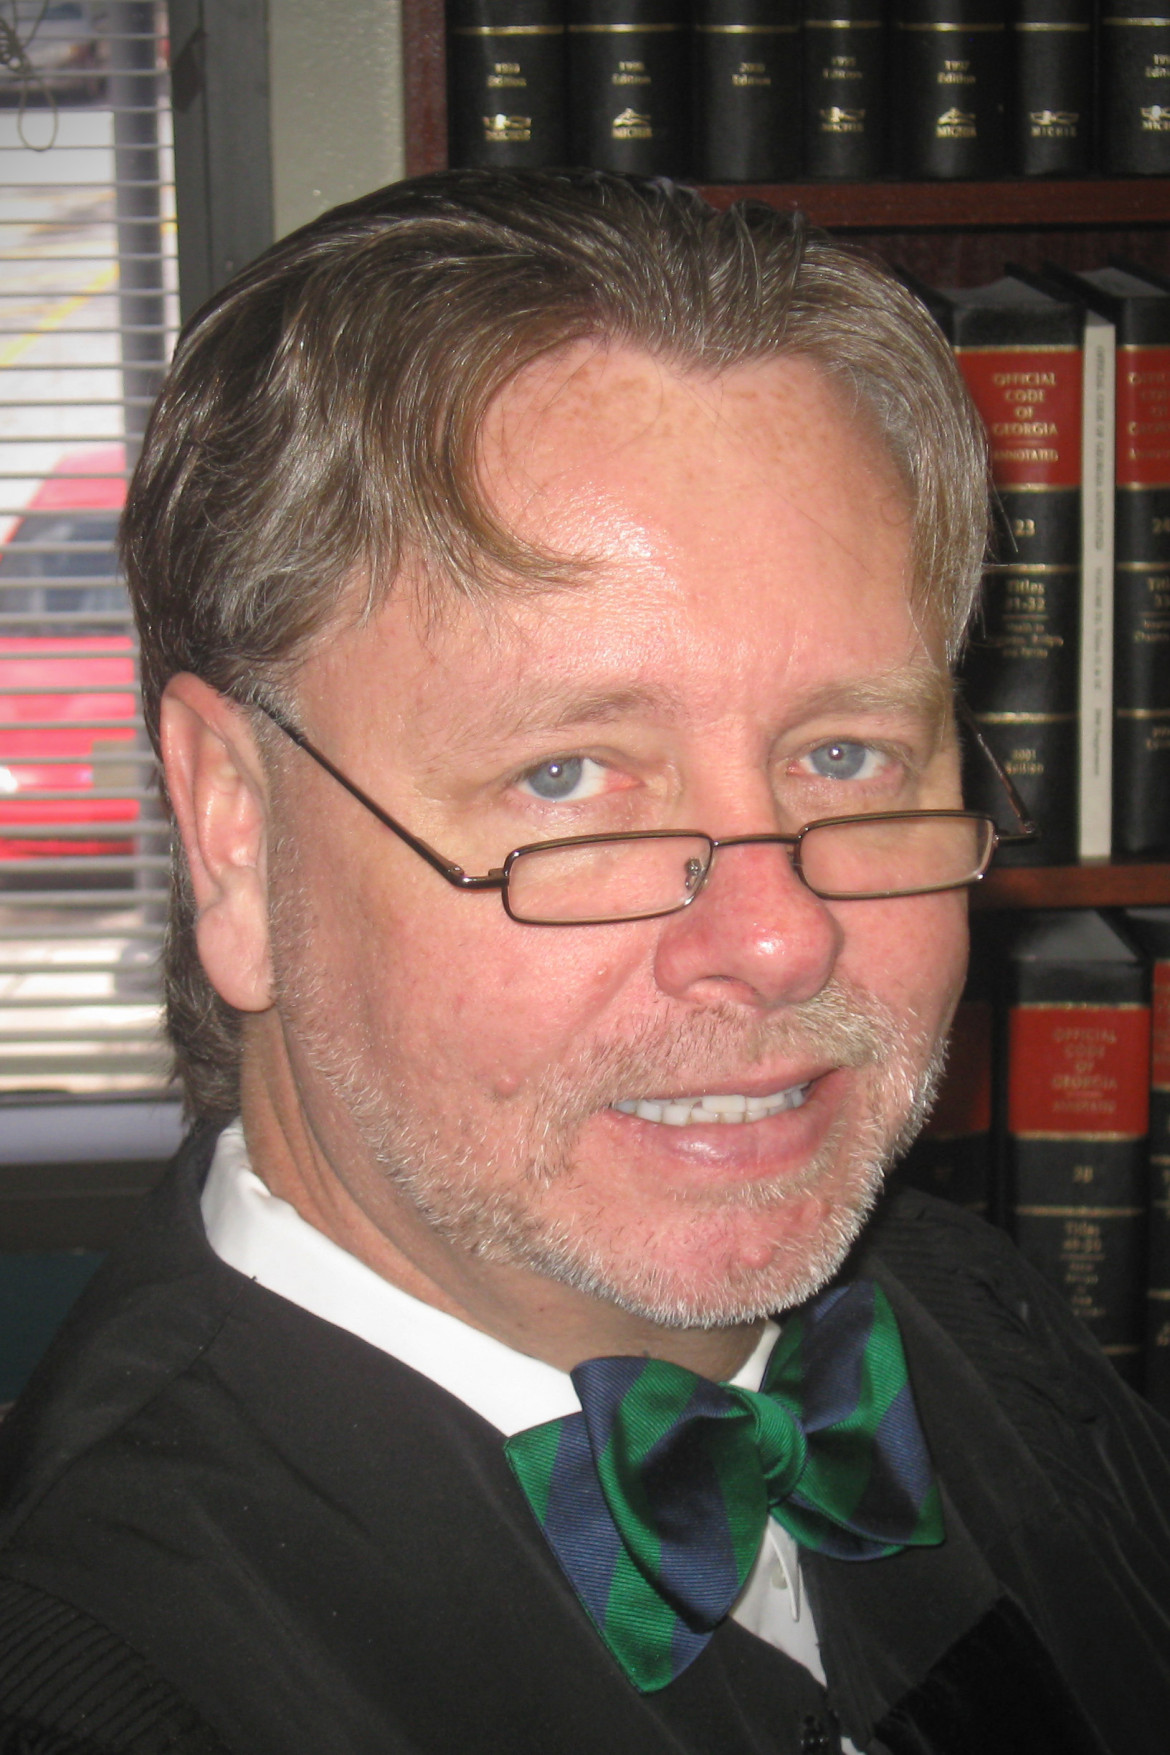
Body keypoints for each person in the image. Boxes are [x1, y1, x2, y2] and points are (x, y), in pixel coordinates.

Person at [0, 170, 1167, 1755]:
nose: (771, 939)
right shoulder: (90, 1675)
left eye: (843, 752)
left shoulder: (975, 1326)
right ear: (235, 834)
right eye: (567, 778)